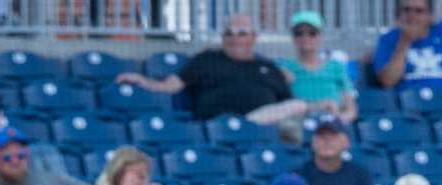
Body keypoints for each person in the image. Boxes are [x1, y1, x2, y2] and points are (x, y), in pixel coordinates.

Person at [115, 14, 305, 130]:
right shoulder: (206, 59)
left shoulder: (269, 67)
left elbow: (287, 105)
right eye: (229, 33)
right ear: (222, 37)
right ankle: (244, 124)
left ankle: (248, 124)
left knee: (299, 105)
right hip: (215, 127)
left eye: (242, 33)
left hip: (261, 132)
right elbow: (170, 86)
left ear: (253, 37)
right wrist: (142, 80)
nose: (235, 38)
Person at [298, 115, 378, 185]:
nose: (327, 141)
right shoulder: (299, 175)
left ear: (346, 142)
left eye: (333, 136)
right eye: (321, 136)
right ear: (313, 142)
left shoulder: (360, 173)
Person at [280, 11, 357, 122]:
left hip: (332, 129)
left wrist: (338, 120)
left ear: (321, 36)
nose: (305, 37)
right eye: (299, 33)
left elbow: (351, 110)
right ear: (293, 37)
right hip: (298, 127)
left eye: (312, 33)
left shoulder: (337, 67)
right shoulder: (284, 68)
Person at [373, 0, 442, 91]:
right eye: (406, 10)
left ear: (430, 16)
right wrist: (405, 42)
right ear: (399, 14)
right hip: (410, 101)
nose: (412, 15)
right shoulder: (388, 39)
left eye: (419, 11)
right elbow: (388, 81)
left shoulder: (439, 32)